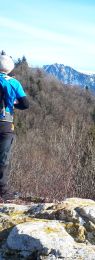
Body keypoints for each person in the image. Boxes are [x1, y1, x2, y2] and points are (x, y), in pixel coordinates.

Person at [0, 53, 29, 200]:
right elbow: (25, 104)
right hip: (4, 123)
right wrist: (13, 103)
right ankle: (3, 192)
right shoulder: (13, 83)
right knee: (3, 158)